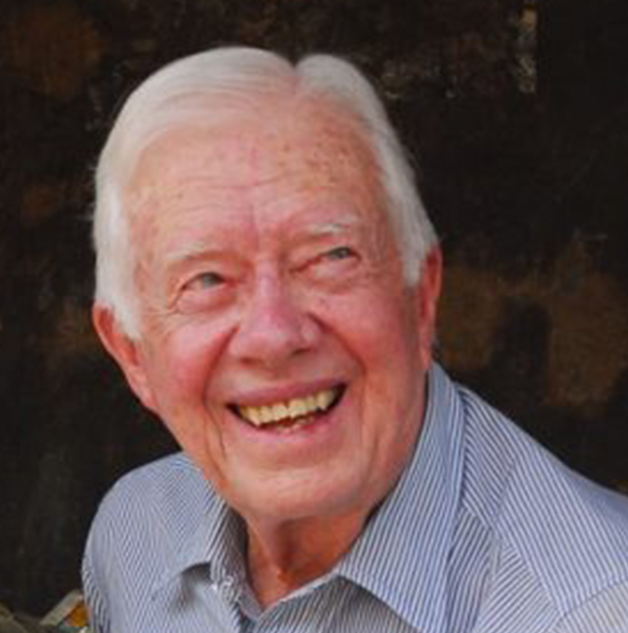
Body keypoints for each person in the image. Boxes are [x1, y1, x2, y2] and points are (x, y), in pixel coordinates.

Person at [82, 47, 628, 632]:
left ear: (422, 298)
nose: (274, 335)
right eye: (207, 280)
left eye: (330, 257)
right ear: (132, 354)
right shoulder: (135, 536)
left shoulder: (594, 612)